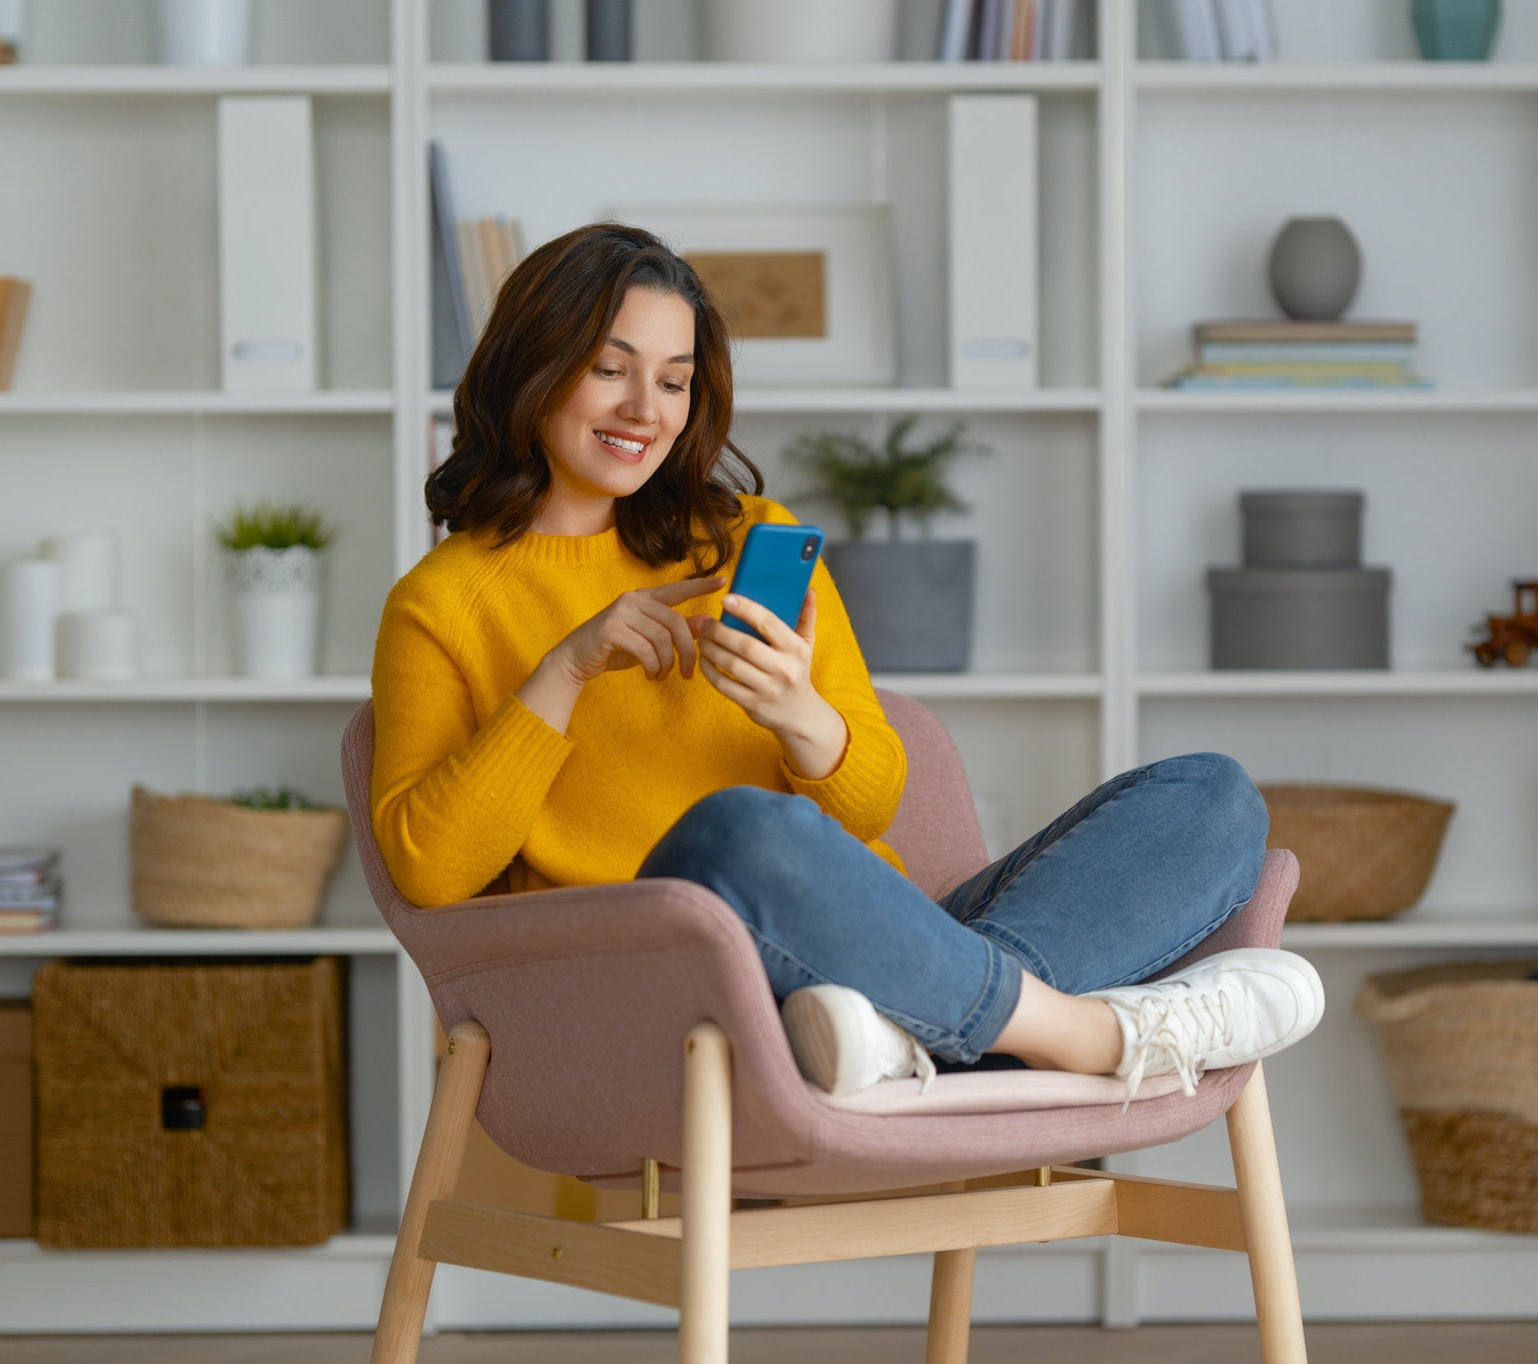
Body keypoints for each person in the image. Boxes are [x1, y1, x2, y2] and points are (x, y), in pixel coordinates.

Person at [369, 223, 1323, 1104]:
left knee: (1211, 795)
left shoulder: (749, 537)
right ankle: (1079, 1033)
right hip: (680, 975)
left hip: (882, 941)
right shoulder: (442, 603)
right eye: (608, 369)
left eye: (672, 380)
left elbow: (867, 807)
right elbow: (431, 874)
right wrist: (563, 671)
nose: (643, 410)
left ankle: (905, 1035)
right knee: (743, 832)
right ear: (532, 369)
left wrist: (799, 716)